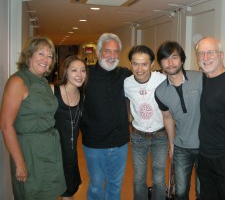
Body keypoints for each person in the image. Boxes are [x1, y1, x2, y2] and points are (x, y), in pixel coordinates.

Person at [0, 36, 66, 200]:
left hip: (49, 150)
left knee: (49, 195)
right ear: (29, 55)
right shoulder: (18, 81)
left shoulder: (43, 81)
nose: (46, 60)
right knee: (31, 194)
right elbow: (6, 125)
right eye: (41, 53)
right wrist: (19, 161)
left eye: (50, 56)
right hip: (29, 152)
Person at [80, 33, 132, 200]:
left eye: (116, 52)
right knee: (96, 185)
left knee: (115, 185)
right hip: (94, 144)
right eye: (107, 51)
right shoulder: (85, 76)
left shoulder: (125, 75)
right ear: (98, 52)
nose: (112, 56)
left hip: (120, 144)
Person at [195, 37, 225, 200]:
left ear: (221, 55)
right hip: (205, 157)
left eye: (210, 52)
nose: (205, 57)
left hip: (224, 159)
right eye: (201, 53)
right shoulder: (204, 79)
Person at [154, 41, 203, 200]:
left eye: (174, 57)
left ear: (182, 60)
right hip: (182, 147)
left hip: (205, 145)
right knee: (181, 191)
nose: (170, 62)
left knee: (203, 191)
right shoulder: (160, 92)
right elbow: (167, 118)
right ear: (160, 63)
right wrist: (172, 144)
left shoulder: (200, 78)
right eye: (165, 59)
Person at [124, 45, 168, 200]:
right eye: (135, 64)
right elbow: (125, 102)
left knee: (159, 179)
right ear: (130, 63)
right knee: (138, 178)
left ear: (151, 64)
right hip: (138, 136)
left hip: (160, 135)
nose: (140, 68)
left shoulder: (162, 79)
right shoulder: (127, 83)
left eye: (144, 64)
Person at [50, 56, 88, 200]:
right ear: (65, 71)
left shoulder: (82, 94)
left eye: (83, 70)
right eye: (74, 70)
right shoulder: (52, 90)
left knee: (69, 192)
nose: (79, 74)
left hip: (70, 155)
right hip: (51, 154)